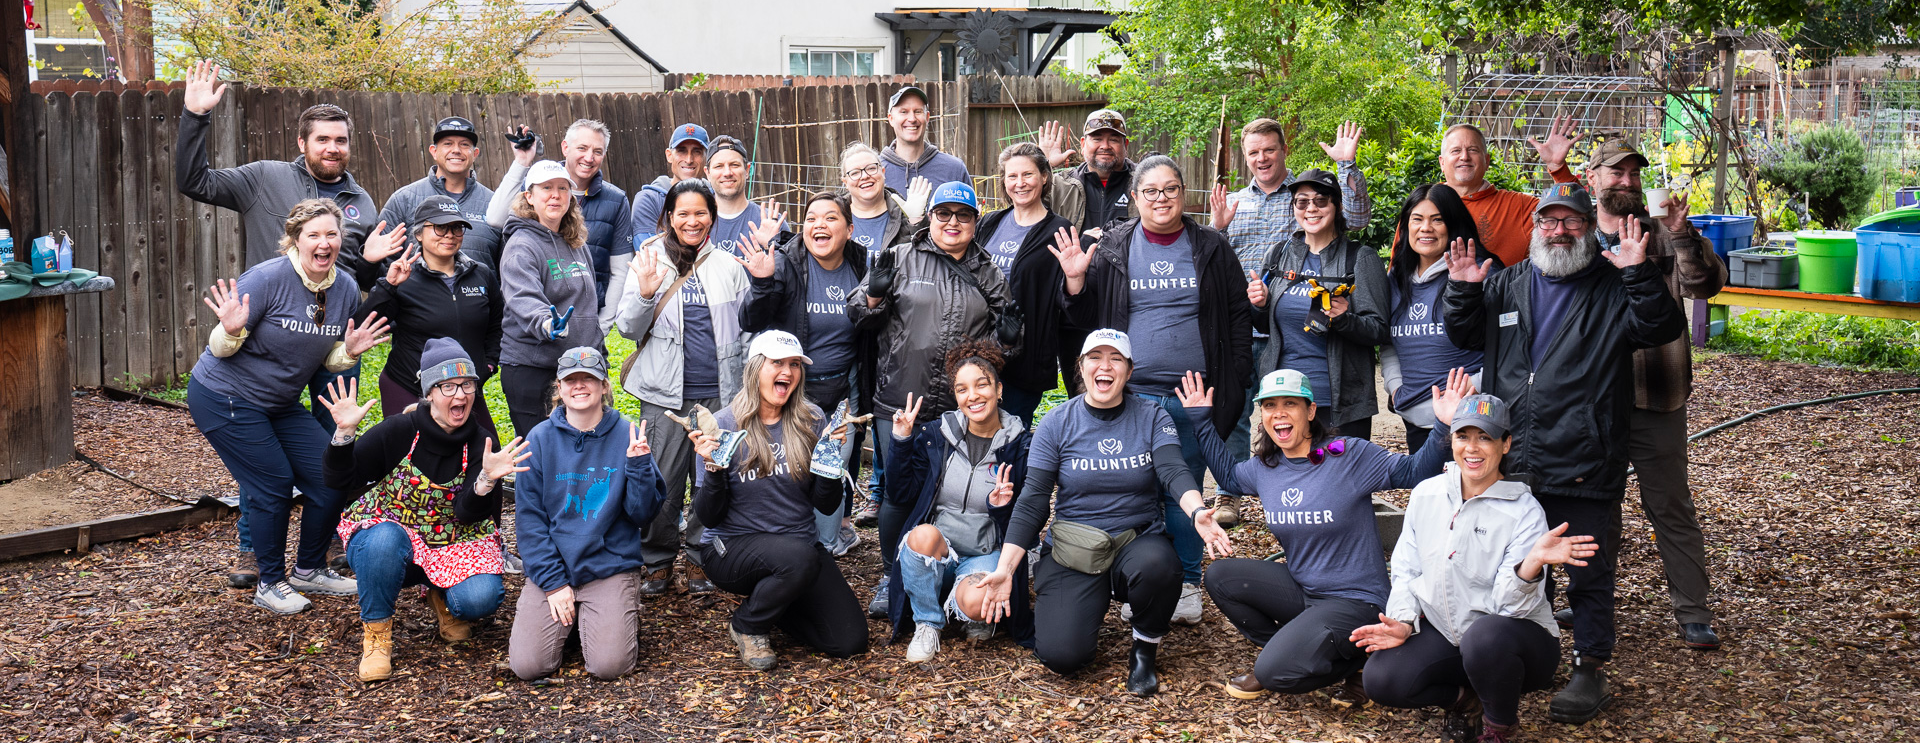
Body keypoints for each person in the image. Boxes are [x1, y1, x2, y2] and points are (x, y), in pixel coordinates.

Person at [1441, 183, 1684, 724]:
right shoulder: (1508, 283)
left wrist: (1639, 273)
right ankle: (1527, 658)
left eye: (1570, 222)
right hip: (1516, 455)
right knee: (1517, 566)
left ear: (1586, 227)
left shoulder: (1612, 282)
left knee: (1587, 568)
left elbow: (1660, 327)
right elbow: (1462, 335)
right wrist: (1460, 288)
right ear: (1534, 229)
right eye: (1547, 221)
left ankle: (1590, 668)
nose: (1558, 231)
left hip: (1583, 457)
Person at [1178, 367, 1466, 704]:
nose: (1279, 414)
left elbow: (1417, 471)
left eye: (1290, 404)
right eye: (1269, 406)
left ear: (1311, 411)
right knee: (1221, 576)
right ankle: (1289, 647)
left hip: (1356, 600)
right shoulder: (1266, 468)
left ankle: (1352, 661)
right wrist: (1200, 420)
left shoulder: (1348, 455)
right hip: (1304, 590)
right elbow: (1227, 473)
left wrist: (1444, 425)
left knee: (1274, 673)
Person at [973, 329, 1234, 696]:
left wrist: (1196, 511)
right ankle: (1083, 607)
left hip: (1136, 540)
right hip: (1075, 546)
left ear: (1129, 371)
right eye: (1095, 357)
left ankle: (1144, 649)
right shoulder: (1057, 422)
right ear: (1080, 368)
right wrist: (1005, 568)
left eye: (1116, 359)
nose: (1105, 366)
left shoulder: (1152, 416)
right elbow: (1033, 499)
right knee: (1062, 656)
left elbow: (1173, 469)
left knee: (1160, 567)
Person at [1053, 155, 1253, 626]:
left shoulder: (1210, 246)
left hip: (1193, 395)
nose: (1161, 199)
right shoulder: (1115, 247)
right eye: (1151, 191)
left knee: (1184, 490)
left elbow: (1238, 316)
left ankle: (1184, 583)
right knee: (1135, 488)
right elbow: (1083, 323)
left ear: (1185, 195)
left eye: (1171, 190)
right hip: (1132, 393)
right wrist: (1076, 280)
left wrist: (1236, 376)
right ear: (1136, 197)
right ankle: (1136, 581)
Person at [1353, 394, 1599, 743]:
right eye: (1463, 436)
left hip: (1516, 645)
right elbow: (1406, 571)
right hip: (1447, 635)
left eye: (1485, 437)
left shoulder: (1524, 511)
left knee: (1483, 637)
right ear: (1450, 441)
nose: (1473, 448)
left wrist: (1528, 566)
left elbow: (1508, 609)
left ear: (1506, 444)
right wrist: (1405, 622)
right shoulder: (1426, 494)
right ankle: (1466, 701)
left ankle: (1499, 726)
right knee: (1382, 678)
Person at [175, 60, 398, 438]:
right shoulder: (265, 177)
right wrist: (196, 116)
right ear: (302, 143)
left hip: (332, 335)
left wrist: (370, 262)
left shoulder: (361, 200)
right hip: (271, 335)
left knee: (333, 428)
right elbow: (195, 182)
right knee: (263, 429)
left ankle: (324, 494)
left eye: (340, 141)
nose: (332, 149)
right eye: (322, 140)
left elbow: (356, 276)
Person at [187, 199, 388, 613]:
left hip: (277, 402)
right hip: (225, 396)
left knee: (332, 474)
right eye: (313, 234)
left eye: (331, 234)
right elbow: (220, 349)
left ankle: (309, 569)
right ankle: (270, 581)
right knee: (273, 484)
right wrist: (229, 329)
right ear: (295, 240)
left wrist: (347, 351)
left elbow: (326, 356)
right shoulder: (267, 280)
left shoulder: (345, 288)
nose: (324, 242)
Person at [1581, 138, 1728, 651]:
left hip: (1656, 393)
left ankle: (1693, 611)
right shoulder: (1573, 238)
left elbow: (1707, 285)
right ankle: (1586, 604)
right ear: (1591, 179)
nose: (1625, 181)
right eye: (1614, 173)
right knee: (1591, 506)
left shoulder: (1664, 235)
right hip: (1590, 402)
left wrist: (1683, 234)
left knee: (1669, 505)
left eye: (1632, 174)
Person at [847, 181, 1018, 619]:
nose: (952, 223)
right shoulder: (902, 257)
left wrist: (1011, 339)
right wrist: (873, 293)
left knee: (943, 491)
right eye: (944, 214)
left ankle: (942, 568)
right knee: (899, 491)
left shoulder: (989, 271)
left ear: (975, 221)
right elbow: (859, 314)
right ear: (931, 218)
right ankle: (890, 576)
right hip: (901, 397)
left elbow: (1002, 345)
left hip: (959, 405)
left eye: (963, 215)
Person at [320, 340, 518, 682]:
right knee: (382, 540)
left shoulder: (481, 441)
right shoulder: (400, 430)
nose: (460, 395)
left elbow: (468, 514)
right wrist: (344, 434)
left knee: (480, 600)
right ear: (429, 392)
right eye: (448, 386)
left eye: (467, 384)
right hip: (394, 543)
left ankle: (442, 595)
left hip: (452, 541)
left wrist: (485, 480)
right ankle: (378, 635)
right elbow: (340, 479)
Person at [615, 178, 766, 597]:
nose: (692, 221)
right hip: (664, 395)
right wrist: (645, 294)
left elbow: (748, 331)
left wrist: (745, 387)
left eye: (701, 213)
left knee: (709, 478)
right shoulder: (648, 259)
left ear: (712, 219)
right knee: (662, 480)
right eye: (683, 213)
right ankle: (657, 559)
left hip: (719, 394)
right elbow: (626, 328)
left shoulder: (729, 267)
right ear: (668, 217)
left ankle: (702, 556)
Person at [1208, 119, 1370, 503]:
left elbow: (1358, 218)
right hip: (1246, 325)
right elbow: (1213, 265)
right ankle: (1229, 493)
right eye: (1253, 152)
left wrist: (1346, 166)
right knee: (1232, 411)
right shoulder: (1233, 203)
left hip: (1292, 334)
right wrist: (1216, 231)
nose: (1261, 158)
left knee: (1292, 421)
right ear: (1245, 157)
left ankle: (1301, 494)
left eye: (1269, 150)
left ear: (1283, 150)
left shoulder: (1306, 195)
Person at [692, 331, 870, 670]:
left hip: (797, 548)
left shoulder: (811, 419)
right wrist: (714, 469)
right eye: (777, 363)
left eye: (794, 365)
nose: (787, 372)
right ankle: (747, 624)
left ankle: (776, 603)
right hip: (731, 548)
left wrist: (830, 466)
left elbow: (826, 506)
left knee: (849, 641)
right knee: (799, 558)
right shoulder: (724, 424)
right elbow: (708, 517)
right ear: (756, 368)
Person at [508, 347, 668, 682]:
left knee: (609, 666)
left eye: (589, 379)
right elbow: (530, 522)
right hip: (555, 569)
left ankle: (611, 615)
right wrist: (553, 585)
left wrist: (638, 466)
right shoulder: (538, 440)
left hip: (608, 566)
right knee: (528, 666)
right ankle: (576, 620)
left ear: (604, 385)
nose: (580, 386)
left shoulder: (627, 434)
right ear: (560, 388)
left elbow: (643, 515)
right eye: (571, 380)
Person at [882, 341, 1034, 661]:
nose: (973, 395)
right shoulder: (938, 434)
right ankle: (928, 621)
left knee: (979, 605)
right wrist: (900, 441)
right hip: (940, 550)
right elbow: (901, 494)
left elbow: (1028, 523)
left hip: (984, 553)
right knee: (921, 535)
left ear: (999, 389)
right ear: (956, 397)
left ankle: (967, 608)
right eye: (962, 389)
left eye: (982, 385)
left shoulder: (1021, 445)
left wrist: (1001, 507)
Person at [738, 190, 868, 556]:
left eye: (830, 218)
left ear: (849, 228)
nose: (818, 225)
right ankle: (788, 539)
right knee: (792, 463)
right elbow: (750, 320)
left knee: (831, 464)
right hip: (792, 386)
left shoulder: (861, 265)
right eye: (811, 218)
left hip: (843, 387)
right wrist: (762, 283)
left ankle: (824, 548)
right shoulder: (786, 262)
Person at [1249, 168, 1389, 444]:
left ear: (1336, 206)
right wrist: (1260, 305)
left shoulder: (1359, 258)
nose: (1311, 208)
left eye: (1321, 200)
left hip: (1340, 403)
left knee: (1345, 484)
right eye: (1302, 202)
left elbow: (1380, 330)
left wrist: (1343, 319)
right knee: (1289, 483)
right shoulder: (1278, 256)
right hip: (1285, 398)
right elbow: (1265, 326)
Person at [357, 196, 503, 419]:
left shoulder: (481, 274)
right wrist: (389, 286)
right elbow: (364, 325)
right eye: (440, 227)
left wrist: (488, 364)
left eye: (457, 228)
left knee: (484, 449)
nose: (449, 235)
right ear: (418, 234)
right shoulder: (404, 277)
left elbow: (497, 326)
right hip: (409, 386)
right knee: (416, 452)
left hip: (462, 390)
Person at [1382, 184, 1495, 453]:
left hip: (1470, 420)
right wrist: (1396, 387)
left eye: (1437, 219)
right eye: (1417, 219)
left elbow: (1507, 348)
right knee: (1427, 495)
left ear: (1454, 224)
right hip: (1415, 422)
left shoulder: (1479, 274)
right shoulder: (1395, 280)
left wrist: (1474, 387)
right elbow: (1386, 342)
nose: (1426, 228)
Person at [976, 142, 1083, 425]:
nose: (1019, 183)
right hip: (980, 352)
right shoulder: (988, 223)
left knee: (1008, 440)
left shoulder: (1059, 230)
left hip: (1025, 361)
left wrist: (1075, 277)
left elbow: (1069, 301)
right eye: (1012, 176)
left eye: (1028, 175)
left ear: (1044, 176)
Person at [497, 160, 605, 438]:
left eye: (562, 188)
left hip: (577, 367)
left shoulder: (576, 243)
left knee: (581, 454)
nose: (555, 195)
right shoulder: (520, 245)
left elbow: (588, 302)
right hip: (532, 369)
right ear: (529, 196)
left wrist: (597, 346)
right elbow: (523, 298)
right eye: (546, 188)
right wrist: (547, 323)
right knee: (542, 458)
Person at [486, 119, 633, 315]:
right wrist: (522, 161)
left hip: (587, 317)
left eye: (597, 151)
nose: (589, 158)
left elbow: (620, 271)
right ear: (565, 147)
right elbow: (495, 218)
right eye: (582, 148)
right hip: (531, 315)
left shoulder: (616, 200)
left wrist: (602, 325)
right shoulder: (537, 185)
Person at [1438, 117, 1583, 266]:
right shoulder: (1426, 204)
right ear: (1442, 162)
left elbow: (1577, 214)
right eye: (1456, 151)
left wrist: (1557, 167)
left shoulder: (1519, 207)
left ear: (1487, 161)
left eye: (1473, 150)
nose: (1464, 157)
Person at [377, 116, 501, 269]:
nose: (456, 150)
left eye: (464, 144)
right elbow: (381, 269)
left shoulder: (495, 205)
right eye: (448, 144)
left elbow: (508, 268)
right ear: (434, 151)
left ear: (475, 154)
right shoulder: (403, 200)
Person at [1041, 109, 1136, 236]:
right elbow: (1023, 206)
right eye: (1097, 139)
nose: (1105, 146)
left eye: (1113, 140)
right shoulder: (1058, 186)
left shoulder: (1145, 183)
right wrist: (1044, 165)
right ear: (1083, 145)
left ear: (1125, 146)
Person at [631, 123, 711, 247]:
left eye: (697, 152)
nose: (689, 160)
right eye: (681, 151)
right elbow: (650, 254)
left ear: (707, 157)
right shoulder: (649, 200)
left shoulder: (715, 197)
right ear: (669, 155)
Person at [880, 86, 969, 195]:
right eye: (904, 112)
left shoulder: (954, 170)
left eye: (918, 111)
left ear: (927, 117)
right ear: (891, 119)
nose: (912, 119)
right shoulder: (876, 172)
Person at [841, 142, 919, 264]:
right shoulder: (834, 217)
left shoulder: (905, 216)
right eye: (855, 173)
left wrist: (918, 224)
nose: (864, 176)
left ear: (883, 172)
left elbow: (924, 261)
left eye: (871, 168)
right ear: (845, 182)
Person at [704, 135, 768, 257]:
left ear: (747, 170)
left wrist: (772, 245)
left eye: (734, 165)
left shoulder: (769, 223)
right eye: (719, 166)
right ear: (707, 173)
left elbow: (791, 273)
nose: (727, 173)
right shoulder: (695, 224)